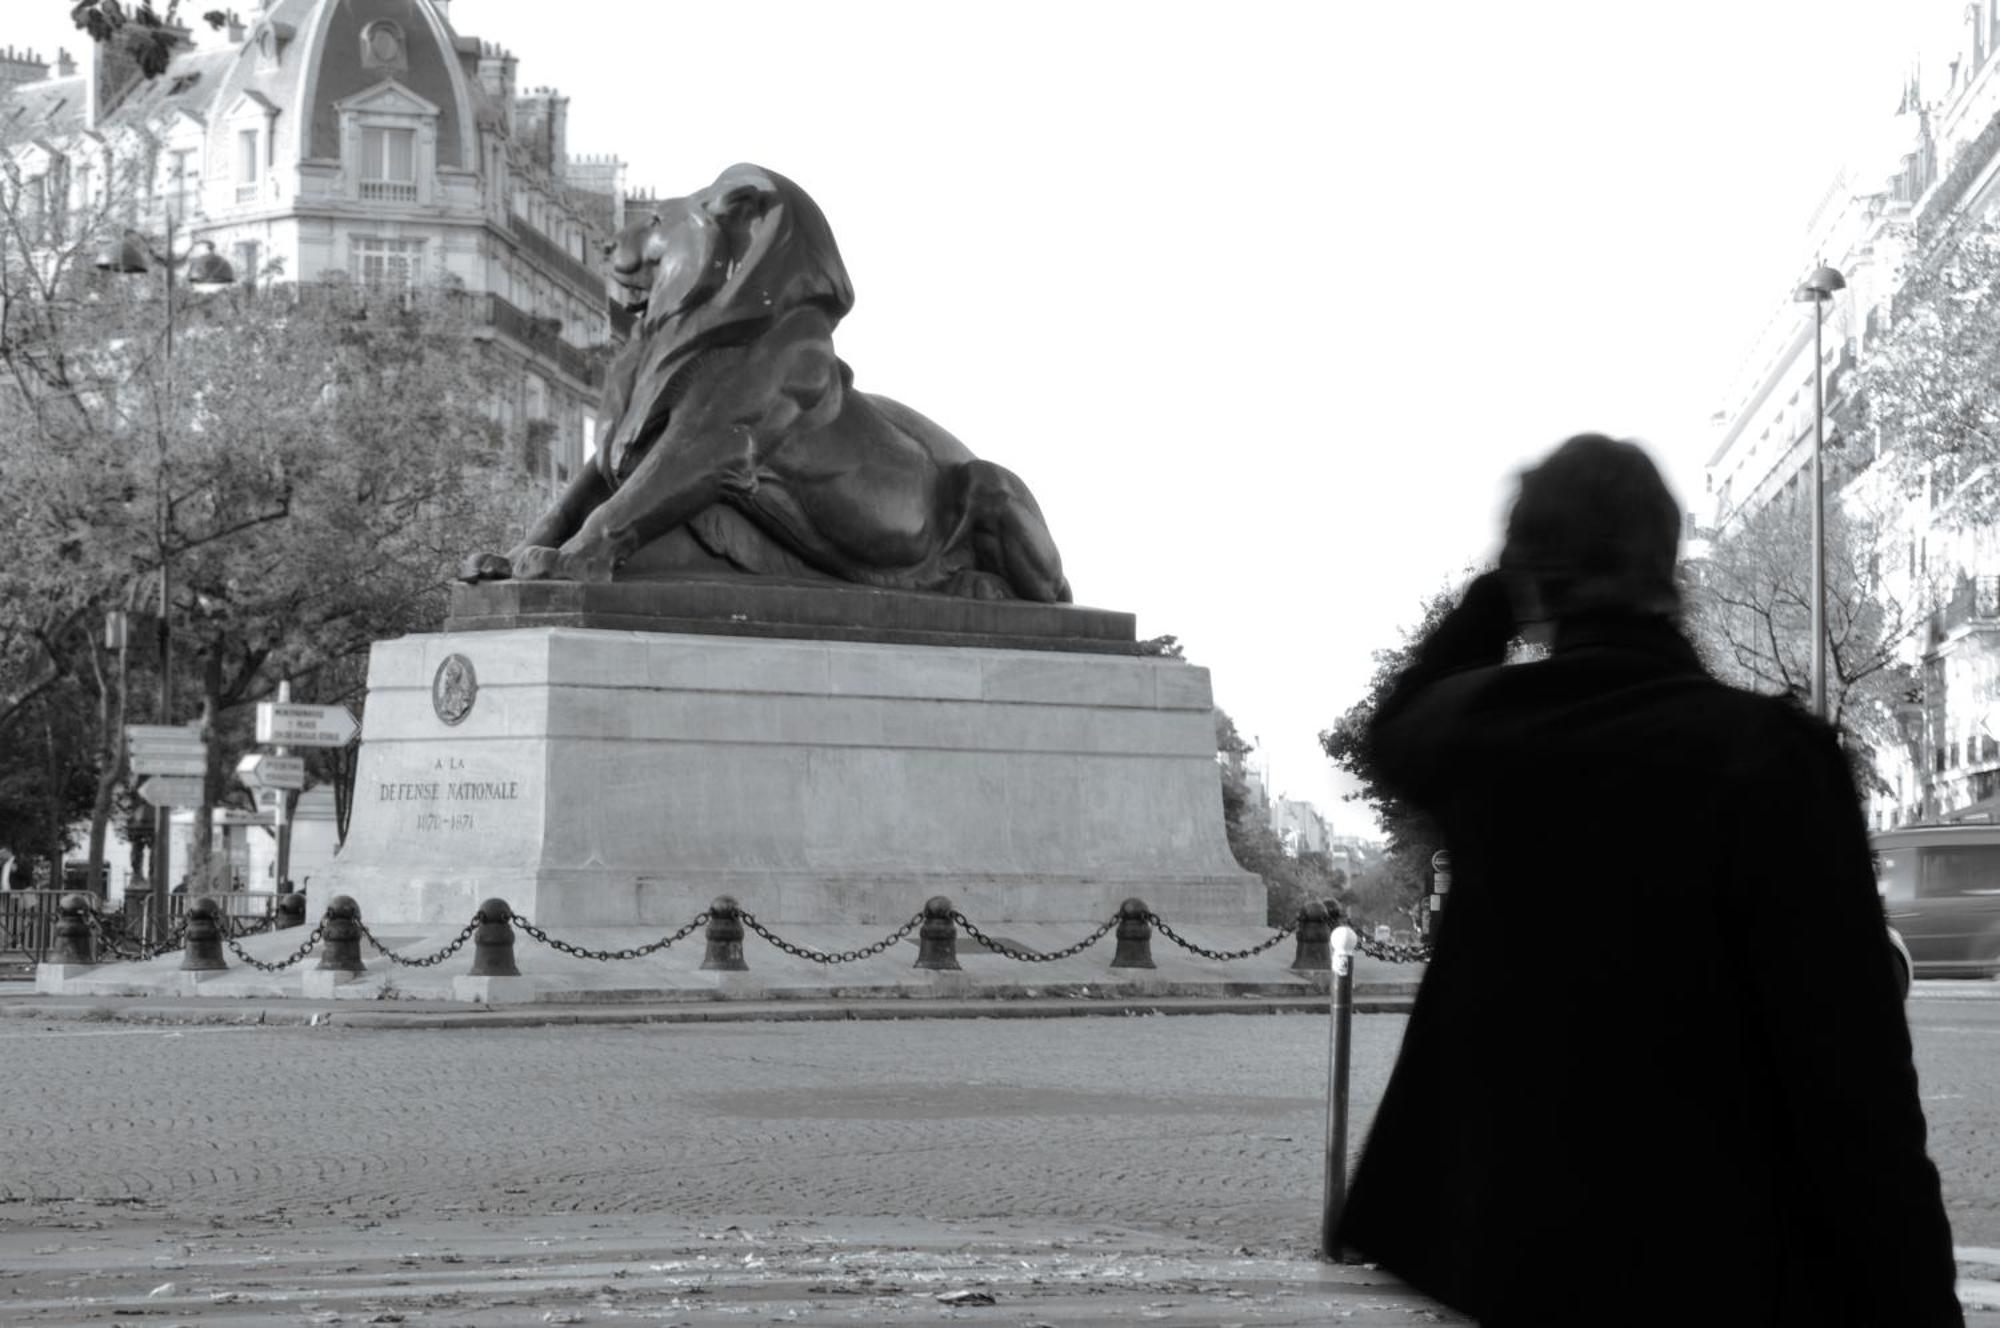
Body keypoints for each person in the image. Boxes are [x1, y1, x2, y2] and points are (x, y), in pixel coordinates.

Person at [1336, 434, 1962, 1326]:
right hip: (1718, 1259)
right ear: (1667, 563)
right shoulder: (1770, 758)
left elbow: (1392, 727)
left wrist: (1504, 589)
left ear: (1534, 575)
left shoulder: (1487, 738)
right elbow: (1855, 1080)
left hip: (1521, 1261)